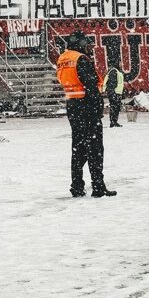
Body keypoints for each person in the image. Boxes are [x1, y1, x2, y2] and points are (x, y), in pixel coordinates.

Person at [56, 31, 115, 197]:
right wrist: (98, 106)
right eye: (86, 44)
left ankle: (77, 186)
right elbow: (90, 85)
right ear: (79, 44)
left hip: (73, 107)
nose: (88, 48)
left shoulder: (63, 59)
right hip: (87, 108)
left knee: (78, 149)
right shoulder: (80, 59)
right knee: (95, 149)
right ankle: (98, 186)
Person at [101, 63, 126, 128]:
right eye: (120, 63)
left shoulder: (117, 71)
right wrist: (112, 93)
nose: (121, 64)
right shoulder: (113, 71)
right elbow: (111, 84)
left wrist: (121, 94)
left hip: (117, 93)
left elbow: (119, 83)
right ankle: (113, 122)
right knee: (114, 107)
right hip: (114, 93)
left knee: (116, 108)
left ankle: (114, 121)